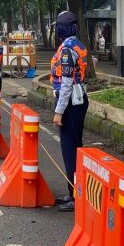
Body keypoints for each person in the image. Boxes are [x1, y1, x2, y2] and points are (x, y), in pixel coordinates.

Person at [49, 11, 88, 212]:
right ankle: (74, 192)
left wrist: (58, 111)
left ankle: (75, 196)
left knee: (70, 150)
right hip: (78, 99)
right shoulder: (78, 45)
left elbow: (65, 83)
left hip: (70, 101)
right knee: (74, 147)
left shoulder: (66, 50)